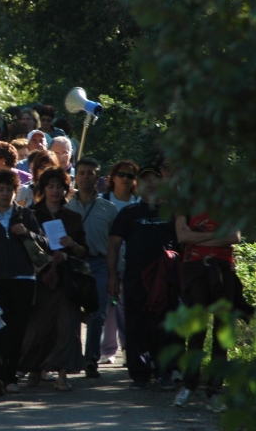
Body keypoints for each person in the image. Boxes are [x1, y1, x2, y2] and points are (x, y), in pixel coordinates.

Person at [106, 165, 180, 392]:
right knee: (136, 327)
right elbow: (114, 245)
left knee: (167, 326)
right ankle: (140, 375)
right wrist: (112, 277)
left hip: (167, 280)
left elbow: (184, 243)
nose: (150, 183)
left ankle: (166, 372)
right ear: (138, 184)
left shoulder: (172, 212)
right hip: (135, 278)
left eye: (154, 179)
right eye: (144, 179)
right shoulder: (129, 213)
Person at [0, 169, 48, 396]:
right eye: (1, 189)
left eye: (10, 189)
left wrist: (27, 233)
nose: (6, 194)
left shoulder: (26, 215)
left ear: (16, 191)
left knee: (17, 331)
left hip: (23, 279)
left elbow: (45, 243)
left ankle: (11, 377)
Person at [172, 209, 254, 411]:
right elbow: (182, 235)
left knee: (222, 330)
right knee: (196, 330)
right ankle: (189, 385)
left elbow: (234, 237)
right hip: (194, 269)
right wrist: (218, 237)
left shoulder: (227, 202)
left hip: (224, 269)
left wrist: (198, 239)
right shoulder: (186, 202)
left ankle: (215, 390)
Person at [19, 167, 88, 391]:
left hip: (67, 279)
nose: (55, 190)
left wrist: (73, 245)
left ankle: (62, 375)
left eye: (59, 186)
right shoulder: (31, 214)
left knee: (68, 327)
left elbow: (83, 251)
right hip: (40, 278)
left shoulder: (73, 217)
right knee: (40, 327)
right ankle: (36, 369)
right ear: (43, 188)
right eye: (50, 186)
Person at [65, 158, 118, 379]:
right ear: (75, 177)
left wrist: (116, 273)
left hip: (100, 263)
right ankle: (72, 359)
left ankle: (91, 359)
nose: (86, 177)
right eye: (82, 173)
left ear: (98, 178)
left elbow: (117, 244)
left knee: (98, 314)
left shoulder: (109, 208)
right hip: (74, 265)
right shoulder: (67, 207)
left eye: (90, 173)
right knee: (72, 312)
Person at [100, 160, 140, 365]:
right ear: (113, 177)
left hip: (130, 261)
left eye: (130, 175)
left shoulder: (138, 202)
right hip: (105, 258)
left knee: (126, 306)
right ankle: (107, 350)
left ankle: (128, 348)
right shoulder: (103, 200)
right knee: (108, 305)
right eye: (121, 174)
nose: (125, 178)